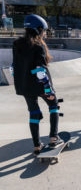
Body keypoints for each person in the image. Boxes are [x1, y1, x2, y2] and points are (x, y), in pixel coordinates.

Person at [12, 14, 63, 155]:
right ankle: (53, 137)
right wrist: (49, 89)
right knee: (54, 105)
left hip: (24, 86)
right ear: (38, 29)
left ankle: (36, 145)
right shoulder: (38, 46)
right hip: (40, 85)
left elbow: (13, 66)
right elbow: (40, 71)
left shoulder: (16, 44)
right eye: (44, 30)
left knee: (33, 113)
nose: (45, 33)